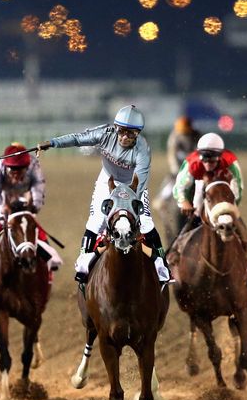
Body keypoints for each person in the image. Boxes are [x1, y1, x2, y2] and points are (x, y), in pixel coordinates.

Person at [36, 105, 171, 285]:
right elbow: (78, 139)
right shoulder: (105, 134)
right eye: (122, 131)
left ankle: (162, 265)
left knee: (145, 222)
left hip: (133, 186)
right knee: (97, 220)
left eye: (131, 133)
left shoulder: (143, 150)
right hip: (107, 181)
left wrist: (127, 207)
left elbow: (139, 185)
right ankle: (84, 262)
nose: (125, 137)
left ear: (138, 134)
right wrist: (53, 143)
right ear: (115, 128)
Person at [0, 143, 62, 274]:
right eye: (12, 171)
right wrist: (1, 210)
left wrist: (34, 206)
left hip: (26, 196)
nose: (16, 175)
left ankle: (50, 256)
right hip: (5, 196)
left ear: (27, 167)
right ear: (6, 167)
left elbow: (38, 186)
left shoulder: (33, 165)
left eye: (20, 172)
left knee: (31, 224)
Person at [172, 132, 247, 262]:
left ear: (220, 157)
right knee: (197, 211)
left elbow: (238, 188)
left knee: (232, 213)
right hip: (200, 184)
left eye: (212, 161)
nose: (208, 165)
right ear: (199, 156)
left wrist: (230, 206)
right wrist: (184, 202)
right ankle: (177, 249)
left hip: (223, 185)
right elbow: (179, 187)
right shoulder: (192, 162)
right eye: (205, 160)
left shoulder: (230, 162)